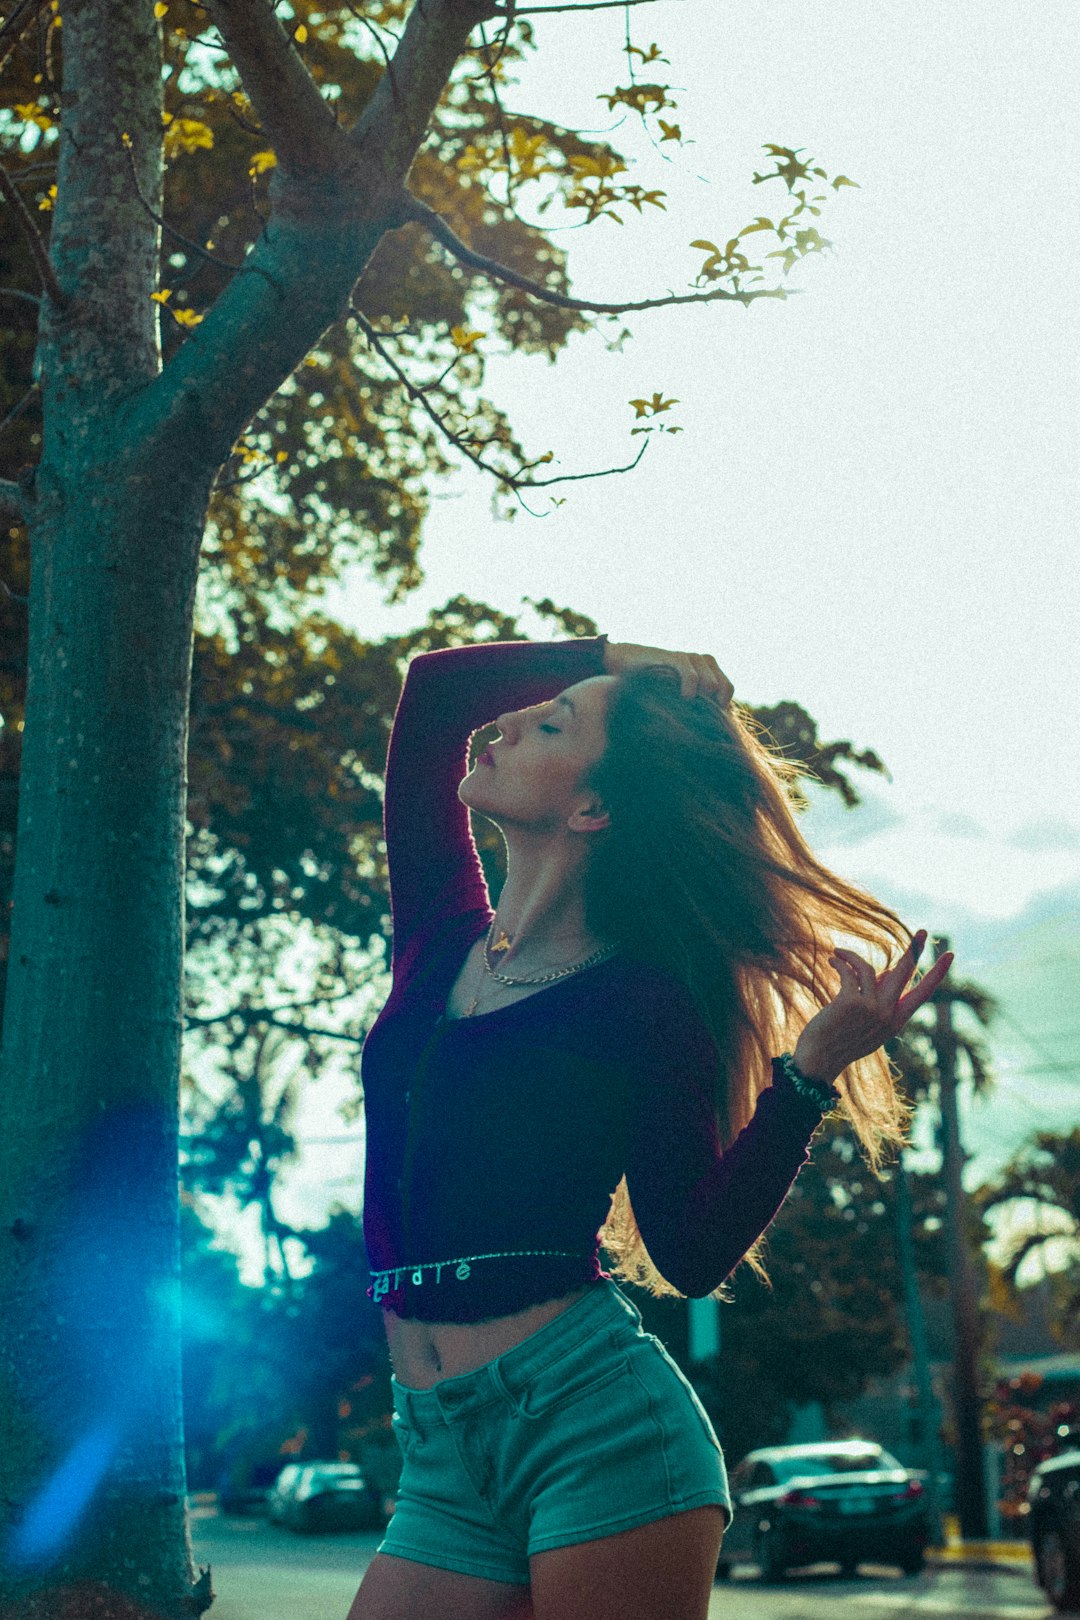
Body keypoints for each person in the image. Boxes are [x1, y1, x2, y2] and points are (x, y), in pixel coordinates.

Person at [347, 633, 953, 1620]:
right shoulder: (440, 931)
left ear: (593, 808)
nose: (500, 727)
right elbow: (432, 696)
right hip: (441, 1452)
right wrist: (617, 657)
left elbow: (690, 1251)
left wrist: (806, 1077)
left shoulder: (645, 1005)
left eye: (551, 725)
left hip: (599, 1436)